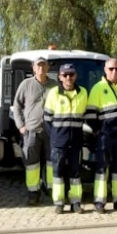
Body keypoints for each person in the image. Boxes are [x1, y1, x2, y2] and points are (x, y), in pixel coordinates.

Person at [87, 58, 117, 213]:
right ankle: (99, 202)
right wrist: (97, 130)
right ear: (105, 70)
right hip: (105, 136)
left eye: (116, 69)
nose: (114, 72)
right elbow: (90, 113)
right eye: (111, 69)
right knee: (102, 168)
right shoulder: (97, 88)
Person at [44, 63, 89, 214]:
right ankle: (59, 202)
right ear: (60, 77)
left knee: (76, 173)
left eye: (71, 74)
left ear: (75, 75)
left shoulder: (83, 93)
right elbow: (47, 119)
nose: (68, 78)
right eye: (65, 75)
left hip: (75, 141)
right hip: (59, 142)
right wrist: (55, 138)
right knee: (58, 172)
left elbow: (85, 116)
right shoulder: (54, 93)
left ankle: (75, 202)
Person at [12, 57, 57, 205]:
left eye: (44, 65)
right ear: (33, 68)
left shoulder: (55, 86)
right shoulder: (26, 84)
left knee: (52, 162)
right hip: (31, 131)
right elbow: (17, 105)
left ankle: (51, 190)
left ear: (48, 68)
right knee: (32, 164)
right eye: (38, 66)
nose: (41, 68)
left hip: (51, 131)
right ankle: (33, 193)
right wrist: (20, 126)